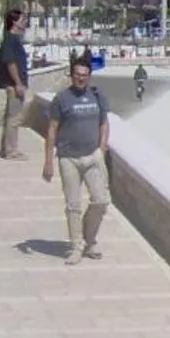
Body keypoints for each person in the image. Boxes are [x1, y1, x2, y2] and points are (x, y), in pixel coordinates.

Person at [42, 56, 112, 265]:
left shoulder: (97, 96)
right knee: (73, 205)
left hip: (92, 156)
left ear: (89, 76)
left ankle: (89, 238)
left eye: (84, 75)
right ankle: (76, 245)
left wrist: (102, 147)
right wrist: (48, 161)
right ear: (71, 76)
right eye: (77, 75)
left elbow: (104, 123)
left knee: (101, 200)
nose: (81, 79)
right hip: (68, 158)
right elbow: (52, 129)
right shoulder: (62, 99)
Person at [0, 9, 31, 160]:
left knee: (11, 118)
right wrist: (18, 83)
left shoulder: (13, 39)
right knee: (14, 119)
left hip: (15, 84)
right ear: (15, 22)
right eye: (22, 20)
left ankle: (7, 149)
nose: (25, 22)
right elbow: (10, 63)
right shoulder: (11, 40)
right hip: (14, 85)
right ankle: (11, 151)